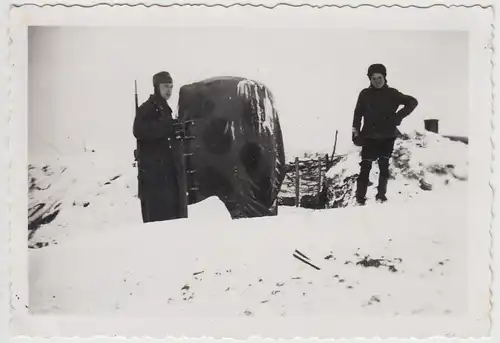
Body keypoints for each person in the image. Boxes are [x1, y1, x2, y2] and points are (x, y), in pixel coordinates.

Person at [352, 63, 418, 205]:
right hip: (369, 135)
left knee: (384, 166)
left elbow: (412, 102)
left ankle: (381, 196)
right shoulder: (364, 94)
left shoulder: (393, 93)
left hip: (387, 136)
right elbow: (357, 114)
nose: (377, 81)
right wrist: (355, 133)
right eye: (373, 78)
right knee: (365, 167)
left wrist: (398, 116)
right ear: (370, 79)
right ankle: (360, 199)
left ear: (385, 77)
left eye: (379, 77)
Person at [133, 71, 180, 222]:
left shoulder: (165, 109)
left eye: (171, 87)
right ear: (156, 87)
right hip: (153, 176)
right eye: (165, 86)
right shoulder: (147, 108)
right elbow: (138, 130)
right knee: (156, 220)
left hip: (165, 174)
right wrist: (167, 127)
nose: (169, 90)